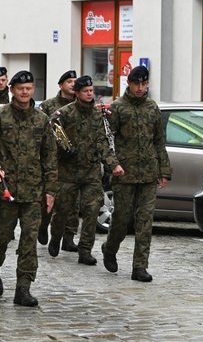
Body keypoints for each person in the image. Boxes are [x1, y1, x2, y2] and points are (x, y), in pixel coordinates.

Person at [0, 70, 58, 307]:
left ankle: (23, 288)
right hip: (5, 192)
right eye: (20, 88)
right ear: (12, 90)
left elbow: (50, 157)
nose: (25, 92)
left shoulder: (41, 120)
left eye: (29, 88)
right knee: (1, 239)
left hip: (33, 192)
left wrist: (50, 191)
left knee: (29, 241)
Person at [103, 66, 172, 282]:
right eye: (137, 84)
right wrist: (113, 164)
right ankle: (110, 248)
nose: (140, 88)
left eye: (144, 84)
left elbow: (159, 141)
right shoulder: (117, 108)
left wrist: (164, 171)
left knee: (145, 221)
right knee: (122, 220)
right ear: (129, 84)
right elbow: (105, 141)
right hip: (124, 174)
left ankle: (139, 267)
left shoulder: (152, 108)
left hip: (149, 174)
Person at [47, 75, 121, 265]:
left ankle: (85, 249)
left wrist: (113, 165)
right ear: (77, 93)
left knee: (91, 210)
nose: (90, 94)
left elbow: (103, 143)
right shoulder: (64, 113)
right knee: (62, 211)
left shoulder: (97, 115)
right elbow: (51, 130)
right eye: (86, 91)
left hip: (91, 173)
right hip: (68, 173)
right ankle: (56, 237)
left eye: (91, 91)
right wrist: (64, 146)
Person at [38, 70, 78, 249]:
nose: (72, 84)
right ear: (61, 85)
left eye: (75, 81)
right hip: (54, 160)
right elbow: (43, 129)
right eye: (69, 81)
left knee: (72, 203)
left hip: (74, 162)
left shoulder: (80, 105)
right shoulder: (48, 105)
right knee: (50, 196)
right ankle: (43, 224)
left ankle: (69, 237)